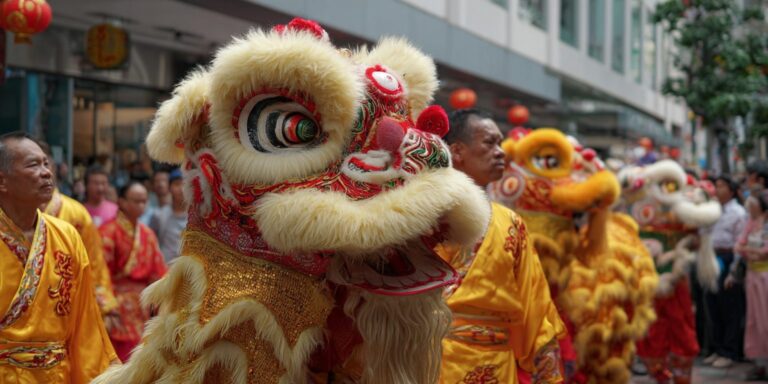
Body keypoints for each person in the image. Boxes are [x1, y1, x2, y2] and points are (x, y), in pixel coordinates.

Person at [437, 109, 565, 383]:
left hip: (495, 368)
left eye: (501, 143)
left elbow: (535, 307)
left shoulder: (511, 224)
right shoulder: (422, 214)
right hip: (431, 362)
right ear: (457, 151)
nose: (500, 152)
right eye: (489, 142)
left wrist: (548, 374)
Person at [0, 132, 116, 382]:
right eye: (33, 164)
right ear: (3, 181)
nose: (46, 172)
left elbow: (85, 325)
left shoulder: (66, 235)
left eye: (46, 163)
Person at [38, 142, 119, 320]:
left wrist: (104, 305)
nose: (41, 171)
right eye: (32, 164)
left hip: (65, 309)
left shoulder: (77, 214)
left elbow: (94, 262)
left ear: (53, 167)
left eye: (45, 163)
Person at [99, 181, 167, 361]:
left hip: (142, 308)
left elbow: (159, 273)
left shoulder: (148, 235)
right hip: (116, 307)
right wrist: (107, 305)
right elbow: (99, 273)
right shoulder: (107, 232)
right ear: (121, 202)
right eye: (136, 201)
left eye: (144, 201)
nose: (141, 205)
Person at [703, 175, 747, 368]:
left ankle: (730, 351)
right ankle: (718, 348)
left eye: (721, 186)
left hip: (728, 257)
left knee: (729, 306)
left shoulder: (738, 212)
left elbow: (740, 242)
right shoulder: (710, 209)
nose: (717, 189)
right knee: (712, 305)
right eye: (715, 186)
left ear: (731, 190)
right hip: (710, 257)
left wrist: (734, 270)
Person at [732, 194, 768, 380]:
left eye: (753, 205)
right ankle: (759, 364)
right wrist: (749, 251)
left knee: (765, 319)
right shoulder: (751, 224)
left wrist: (748, 251)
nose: (750, 209)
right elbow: (738, 246)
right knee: (754, 319)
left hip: (765, 277)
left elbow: (763, 253)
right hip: (752, 276)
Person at [149, 168, 188, 263]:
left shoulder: (197, 217)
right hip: (165, 268)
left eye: (185, 185)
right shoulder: (159, 215)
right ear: (169, 188)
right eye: (177, 184)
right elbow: (151, 244)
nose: (181, 189)